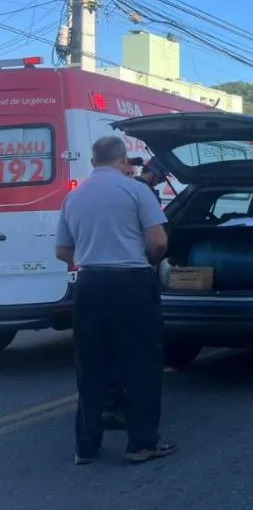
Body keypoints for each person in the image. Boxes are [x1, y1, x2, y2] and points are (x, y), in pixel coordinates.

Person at [55, 136, 177, 465]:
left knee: (91, 364)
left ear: (94, 162)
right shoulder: (136, 191)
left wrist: (94, 255)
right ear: (123, 160)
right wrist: (143, 258)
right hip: (131, 283)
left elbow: (62, 251)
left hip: (90, 283)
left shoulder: (74, 197)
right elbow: (158, 241)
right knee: (140, 363)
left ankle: (86, 447)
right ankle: (141, 444)